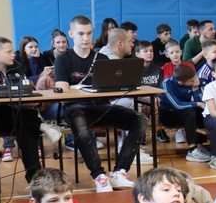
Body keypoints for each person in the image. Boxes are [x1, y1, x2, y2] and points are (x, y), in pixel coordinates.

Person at [54, 16, 147, 192]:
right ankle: (99, 175)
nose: (85, 38)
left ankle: (119, 172)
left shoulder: (102, 57)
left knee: (139, 119)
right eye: (80, 34)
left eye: (89, 33)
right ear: (71, 34)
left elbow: (108, 91)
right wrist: (81, 89)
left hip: (100, 107)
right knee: (79, 121)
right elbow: (63, 92)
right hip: (75, 108)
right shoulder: (63, 59)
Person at [0, 36, 43, 183]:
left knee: (26, 125)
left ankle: (35, 180)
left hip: (19, 118)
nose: (14, 54)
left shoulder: (18, 71)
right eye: (9, 52)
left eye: (13, 51)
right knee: (27, 121)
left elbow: (27, 94)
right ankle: (41, 125)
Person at [161, 64, 208, 159]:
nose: (195, 80)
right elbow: (177, 105)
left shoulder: (192, 81)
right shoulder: (167, 83)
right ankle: (192, 150)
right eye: (191, 81)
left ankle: (199, 144)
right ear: (181, 82)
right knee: (190, 112)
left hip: (185, 111)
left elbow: (201, 101)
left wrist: (195, 89)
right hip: (168, 114)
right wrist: (197, 104)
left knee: (201, 111)